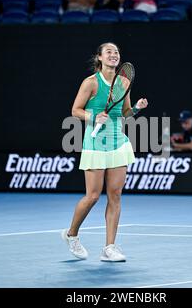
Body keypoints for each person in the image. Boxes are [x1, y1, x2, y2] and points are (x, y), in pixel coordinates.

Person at [62, 42, 148, 262]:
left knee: (115, 195)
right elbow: (75, 110)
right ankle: (71, 234)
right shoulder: (90, 83)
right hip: (95, 146)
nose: (113, 54)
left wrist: (137, 107)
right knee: (92, 196)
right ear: (99, 58)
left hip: (118, 143)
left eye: (117, 52)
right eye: (108, 52)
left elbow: (125, 114)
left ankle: (109, 247)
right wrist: (93, 117)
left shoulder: (124, 82)